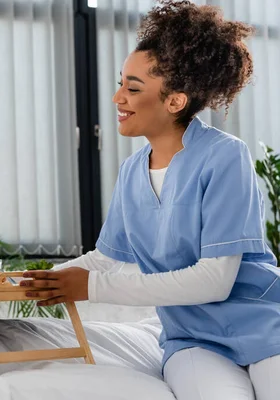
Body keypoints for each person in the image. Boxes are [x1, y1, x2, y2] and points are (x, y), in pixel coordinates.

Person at [23, 1, 280, 399]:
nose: (117, 98)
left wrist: (91, 287)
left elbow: (215, 280)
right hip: (193, 339)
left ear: (175, 101)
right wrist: (31, 281)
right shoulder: (131, 174)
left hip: (266, 325)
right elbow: (106, 258)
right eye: (120, 83)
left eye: (132, 87)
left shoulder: (224, 156)